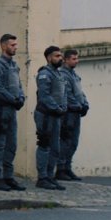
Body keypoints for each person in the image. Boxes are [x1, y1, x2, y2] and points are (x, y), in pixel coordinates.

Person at [0, 34, 26, 191]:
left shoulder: (14, 66)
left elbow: (19, 85)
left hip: (12, 111)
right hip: (1, 110)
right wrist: (13, 99)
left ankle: (8, 177)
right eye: (12, 45)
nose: (15, 47)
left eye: (16, 44)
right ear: (4, 46)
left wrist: (21, 98)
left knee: (11, 145)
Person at [34, 46, 67, 190]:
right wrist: (56, 108)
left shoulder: (59, 74)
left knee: (55, 148)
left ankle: (50, 176)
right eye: (57, 56)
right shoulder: (44, 74)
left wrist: (63, 107)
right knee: (44, 145)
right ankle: (42, 178)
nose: (60, 58)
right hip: (46, 115)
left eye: (60, 56)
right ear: (48, 58)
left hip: (56, 115)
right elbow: (44, 95)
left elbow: (63, 94)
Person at [56, 49, 89, 182]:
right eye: (74, 59)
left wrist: (85, 103)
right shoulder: (63, 75)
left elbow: (80, 92)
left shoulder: (74, 75)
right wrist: (78, 106)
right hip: (68, 113)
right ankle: (61, 168)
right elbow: (67, 95)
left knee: (73, 142)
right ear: (66, 60)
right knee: (66, 141)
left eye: (77, 58)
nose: (77, 61)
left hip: (76, 112)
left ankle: (67, 167)